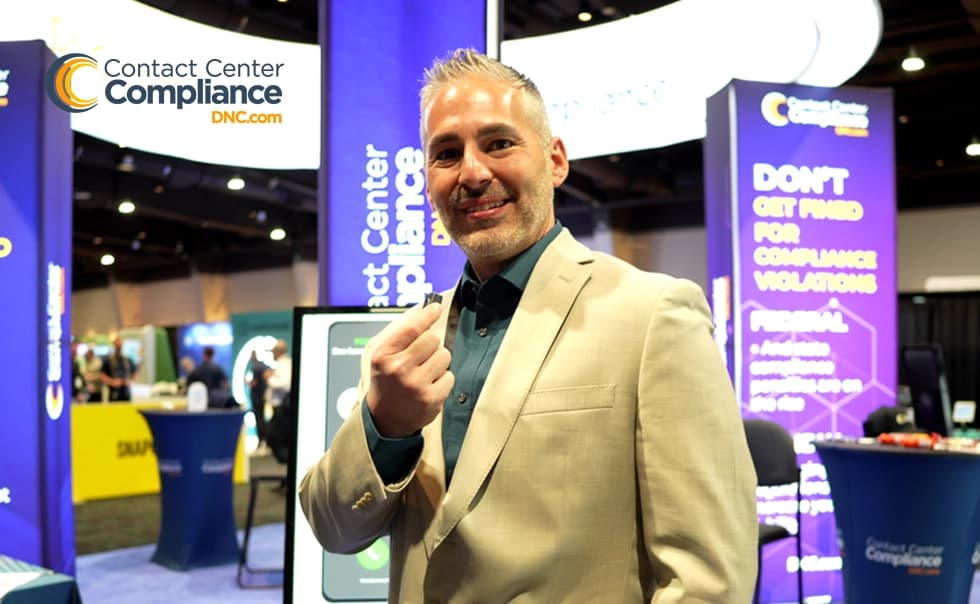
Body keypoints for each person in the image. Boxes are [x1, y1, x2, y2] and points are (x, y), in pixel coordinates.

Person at [299, 49, 758, 602]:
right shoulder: (406, 345)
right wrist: (385, 426)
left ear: (556, 160)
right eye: (447, 153)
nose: (471, 172)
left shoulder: (654, 314)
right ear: (427, 180)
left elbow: (709, 577)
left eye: (498, 143)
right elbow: (334, 529)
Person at [264, 339, 293, 463]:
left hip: (283, 409)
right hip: (281, 408)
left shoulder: (284, 364)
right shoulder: (284, 363)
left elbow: (286, 385)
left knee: (273, 436)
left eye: (273, 352)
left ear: (277, 352)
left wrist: (270, 378)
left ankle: (287, 462)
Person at [246, 350, 271, 449]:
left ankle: (262, 440)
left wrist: (248, 382)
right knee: (262, 419)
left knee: (259, 419)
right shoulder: (263, 366)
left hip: (257, 398)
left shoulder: (256, 368)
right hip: (262, 396)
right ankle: (265, 440)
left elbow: (254, 383)